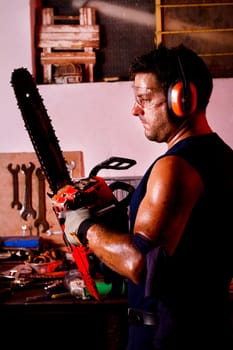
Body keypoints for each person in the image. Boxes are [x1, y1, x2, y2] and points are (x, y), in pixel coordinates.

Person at [62, 44, 233, 349]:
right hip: (201, 328)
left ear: (182, 99)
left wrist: (83, 227)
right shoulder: (220, 156)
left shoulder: (176, 167)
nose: (135, 110)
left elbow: (141, 262)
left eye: (144, 99)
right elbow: (183, 252)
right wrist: (112, 213)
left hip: (165, 337)